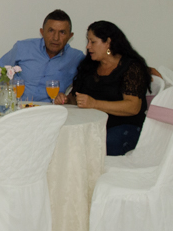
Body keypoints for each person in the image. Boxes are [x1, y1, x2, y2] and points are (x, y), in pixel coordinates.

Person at [57, 21, 152, 156]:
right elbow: (77, 98)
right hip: (93, 126)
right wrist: (65, 99)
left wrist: (94, 104)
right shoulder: (89, 66)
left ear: (108, 42)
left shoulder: (130, 67)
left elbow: (133, 107)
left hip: (124, 127)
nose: (88, 46)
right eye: (88, 41)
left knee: (99, 144)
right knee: (63, 139)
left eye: (93, 42)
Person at [0, 9, 85, 102]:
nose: (56, 38)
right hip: (19, 108)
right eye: (51, 31)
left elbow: (83, 88)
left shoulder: (77, 58)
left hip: (52, 110)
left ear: (70, 36)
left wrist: (66, 99)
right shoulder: (23, 48)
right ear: (42, 32)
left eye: (62, 32)